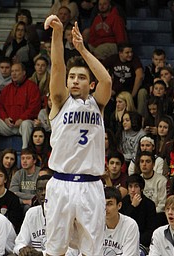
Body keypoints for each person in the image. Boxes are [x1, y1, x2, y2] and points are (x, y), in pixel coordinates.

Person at [44, 15, 112, 255]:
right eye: (72, 77)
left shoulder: (99, 104)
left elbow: (106, 79)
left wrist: (82, 49)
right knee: (54, 249)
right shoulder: (60, 102)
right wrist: (57, 33)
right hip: (61, 183)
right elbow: (57, 66)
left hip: (91, 185)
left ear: (90, 84)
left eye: (81, 77)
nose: (74, 80)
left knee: (92, 251)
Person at [0, 62, 41, 149]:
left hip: (23, 124)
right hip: (9, 125)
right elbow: (0, 106)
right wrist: (5, 118)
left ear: (24, 73)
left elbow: (34, 107)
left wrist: (22, 118)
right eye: (12, 71)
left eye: (17, 71)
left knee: (26, 124)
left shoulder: (32, 87)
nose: (14, 73)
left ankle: (25, 152)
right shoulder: (6, 89)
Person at [13, 174, 52, 255]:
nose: (43, 193)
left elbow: (71, 251)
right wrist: (22, 249)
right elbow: (19, 243)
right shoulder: (31, 213)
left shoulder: (64, 214)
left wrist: (42, 254)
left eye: (47, 189)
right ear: (36, 193)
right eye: (40, 190)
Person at [120, 174, 157, 248]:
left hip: (142, 242)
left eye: (136, 186)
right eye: (130, 186)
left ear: (141, 188)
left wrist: (136, 241)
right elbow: (121, 223)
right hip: (123, 239)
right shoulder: (123, 202)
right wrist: (132, 206)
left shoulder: (149, 204)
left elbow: (150, 230)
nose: (133, 190)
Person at [103, 186, 140, 256]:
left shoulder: (130, 225)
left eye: (109, 204)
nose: (105, 208)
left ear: (119, 205)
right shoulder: (95, 224)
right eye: (103, 204)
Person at [0, 166, 23, 233]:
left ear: (5, 180)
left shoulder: (13, 198)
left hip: (7, 231)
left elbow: (14, 223)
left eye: (1, 176)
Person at [9, 148, 40, 212]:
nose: (24, 161)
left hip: (37, 204)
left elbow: (40, 196)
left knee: (28, 208)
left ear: (34, 161)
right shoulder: (18, 174)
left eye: (28, 158)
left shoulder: (40, 173)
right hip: (21, 203)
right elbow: (12, 194)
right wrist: (24, 201)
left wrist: (18, 194)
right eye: (22, 158)